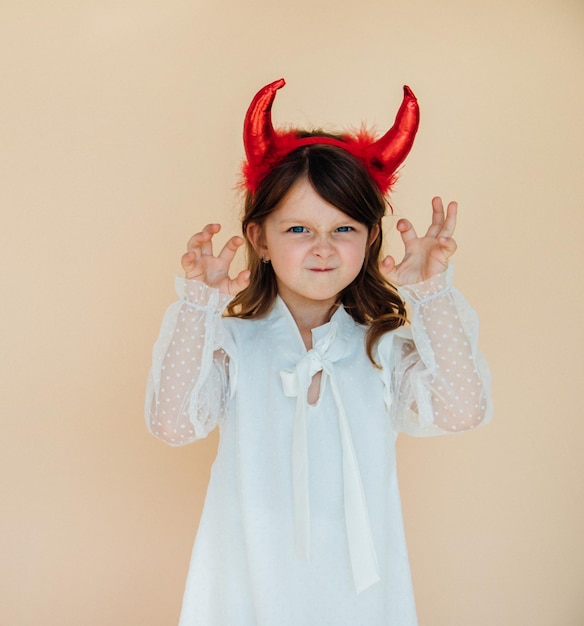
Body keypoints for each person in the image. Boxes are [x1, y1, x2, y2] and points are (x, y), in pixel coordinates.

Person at [145, 78, 492, 626]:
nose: (324, 248)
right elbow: (172, 423)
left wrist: (431, 293)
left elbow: (461, 409)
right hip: (246, 591)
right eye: (300, 228)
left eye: (344, 228)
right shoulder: (234, 346)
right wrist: (199, 306)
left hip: (358, 598)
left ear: (372, 237)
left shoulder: (380, 348)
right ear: (260, 238)